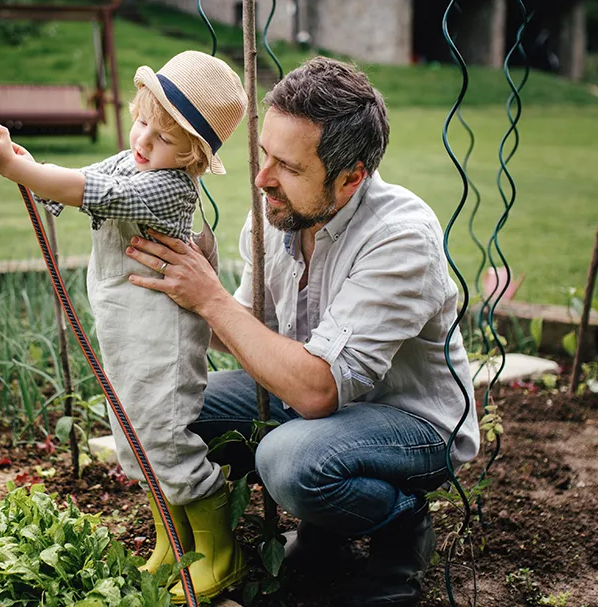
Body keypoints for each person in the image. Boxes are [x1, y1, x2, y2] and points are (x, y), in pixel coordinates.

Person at [122, 57, 480, 607]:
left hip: (411, 422)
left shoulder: (400, 238)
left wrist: (212, 299)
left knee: (292, 463)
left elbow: (316, 389)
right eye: (264, 153)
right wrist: (188, 292)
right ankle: (310, 536)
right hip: (315, 401)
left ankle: (401, 528)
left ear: (350, 176)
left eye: (287, 165)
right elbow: (249, 331)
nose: (262, 177)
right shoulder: (276, 213)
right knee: (162, 412)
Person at [0, 50, 250, 600]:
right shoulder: (136, 160)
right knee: (133, 432)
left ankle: (222, 553)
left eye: (164, 139)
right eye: (142, 120)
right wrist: (26, 161)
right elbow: (79, 179)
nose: (143, 141)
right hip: (125, 330)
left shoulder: (169, 187)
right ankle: (176, 544)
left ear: (194, 157)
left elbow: (98, 193)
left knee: (165, 437)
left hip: (162, 339)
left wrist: (13, 169)